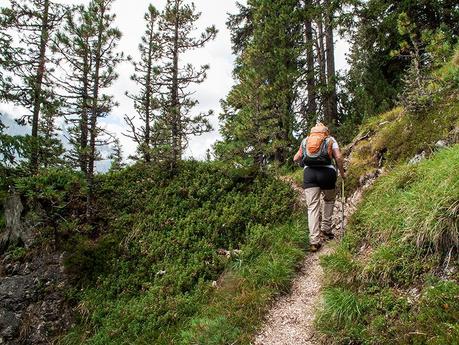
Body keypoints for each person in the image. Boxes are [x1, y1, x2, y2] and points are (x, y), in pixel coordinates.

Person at [293, 123, 345, 252]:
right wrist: (342, 173)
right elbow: (338, 156)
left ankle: (314, 241)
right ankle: (326, 230)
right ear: (325, 132)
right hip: (327, 173)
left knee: (312, 207)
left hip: (309, 174)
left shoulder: (305, 141)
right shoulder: (331, 140)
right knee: (329, 200)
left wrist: (302, 163)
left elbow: (296, 158)